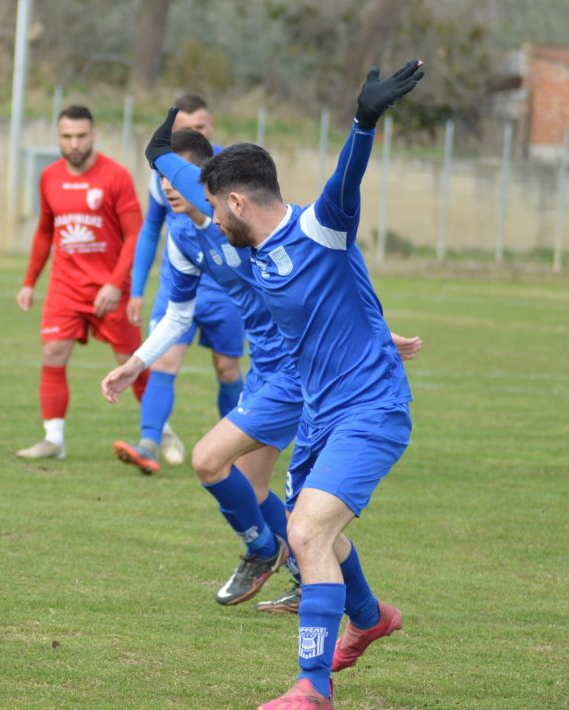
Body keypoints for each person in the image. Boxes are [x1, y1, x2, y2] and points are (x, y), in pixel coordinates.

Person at [148, 61, 425, 708]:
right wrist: (159, 152)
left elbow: (346, 180)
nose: (211, 220)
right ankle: (369, 617)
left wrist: (364, 121)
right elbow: (181, 172)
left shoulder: (319, 228)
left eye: (216, 210)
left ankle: (312, 685)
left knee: (304, 535)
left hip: (370, 409)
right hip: (318, 413)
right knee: (320, 530)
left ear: (238, 203)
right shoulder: (250, 243)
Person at [103, 129, 423, 614]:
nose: (170, 189)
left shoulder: (250, 228)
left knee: (210, 459)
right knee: (252, 488)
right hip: (266, 365)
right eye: (162, 182)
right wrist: (136, 362)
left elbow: (327, 281)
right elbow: (178, 314)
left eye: (178, 180)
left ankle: (267, 553)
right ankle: (314, 579)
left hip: (295, 369)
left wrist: (374, 332)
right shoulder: (185, 238)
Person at [116, 94, 246, 474]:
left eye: (199, 127)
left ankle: (237, 449)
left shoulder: (228, 171)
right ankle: (148, 443)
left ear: (211, 127)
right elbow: (150, 229)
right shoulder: (163, 175)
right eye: (185, 129)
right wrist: (137, 289)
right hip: (180, 273)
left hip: (225, 286)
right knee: (165, 360)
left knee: (227, 369)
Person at [15, 105, 146, 460]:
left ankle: (156, 430)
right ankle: (53, 440)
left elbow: (135, 235)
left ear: (93, 135)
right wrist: (29, 281)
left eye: (81, 136)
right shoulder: (49, 177)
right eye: (67, 136)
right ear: (58, 137)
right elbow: (45, 233)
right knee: (53, 353)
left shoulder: (116, 176)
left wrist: (116, 284)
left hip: (109, 288)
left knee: (131, 360)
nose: (74, 144)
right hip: (65, 286)